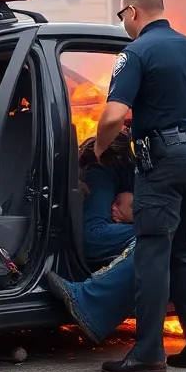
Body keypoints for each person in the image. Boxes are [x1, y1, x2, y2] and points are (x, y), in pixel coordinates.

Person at [93, 0, 186, 372]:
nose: (122, 23)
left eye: (121, 16)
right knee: (181, 250)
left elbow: (112, 116)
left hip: (165, 161)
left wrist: (102, 149)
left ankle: (148, 353)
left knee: (153, 253)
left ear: (133, 12)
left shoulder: (135, 52)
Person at [46, 135, 139, 342]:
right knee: (158, 238)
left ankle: (89, 303)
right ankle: (88, 303)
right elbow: (92, 236)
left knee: (161, 240)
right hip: (94, 234)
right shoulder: (103, 171)